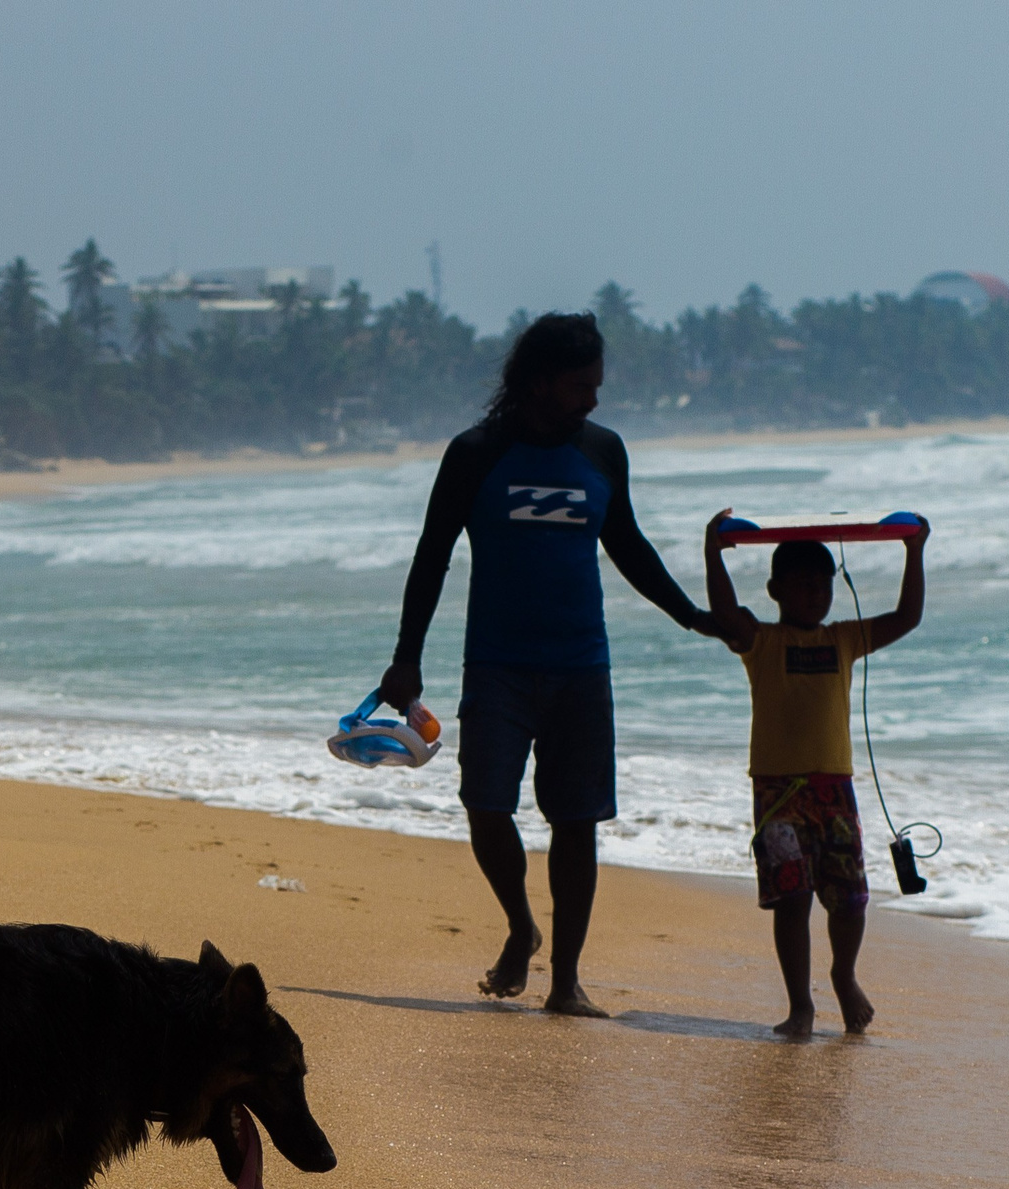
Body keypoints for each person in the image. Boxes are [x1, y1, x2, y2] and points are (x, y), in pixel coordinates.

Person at [376, 313, 718, 1016]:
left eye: (596, 385)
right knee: (485, 805)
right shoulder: (476, 453)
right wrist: (406, 657)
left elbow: (627, 545)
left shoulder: (602, 451)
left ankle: (567, 980)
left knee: (576, 821)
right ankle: (520, 924)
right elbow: (432, 555)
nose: (592, 399)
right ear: (538, 382)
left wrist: (695, 617)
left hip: (581, 668)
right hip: (498, 663)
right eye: (579, 386)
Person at [702, 508, 928, 1037]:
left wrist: (914, 553)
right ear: (775, 589)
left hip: (835, 791)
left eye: (823, 586)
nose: (815, 595)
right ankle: (800, 1004)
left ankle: (844, 975)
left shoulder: (844, 640)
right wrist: (712, 552)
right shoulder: (762, 642)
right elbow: (725, 612)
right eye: (802, 586)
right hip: (778, 794)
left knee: (849, 896)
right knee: (792, 896)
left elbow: (907, 617)